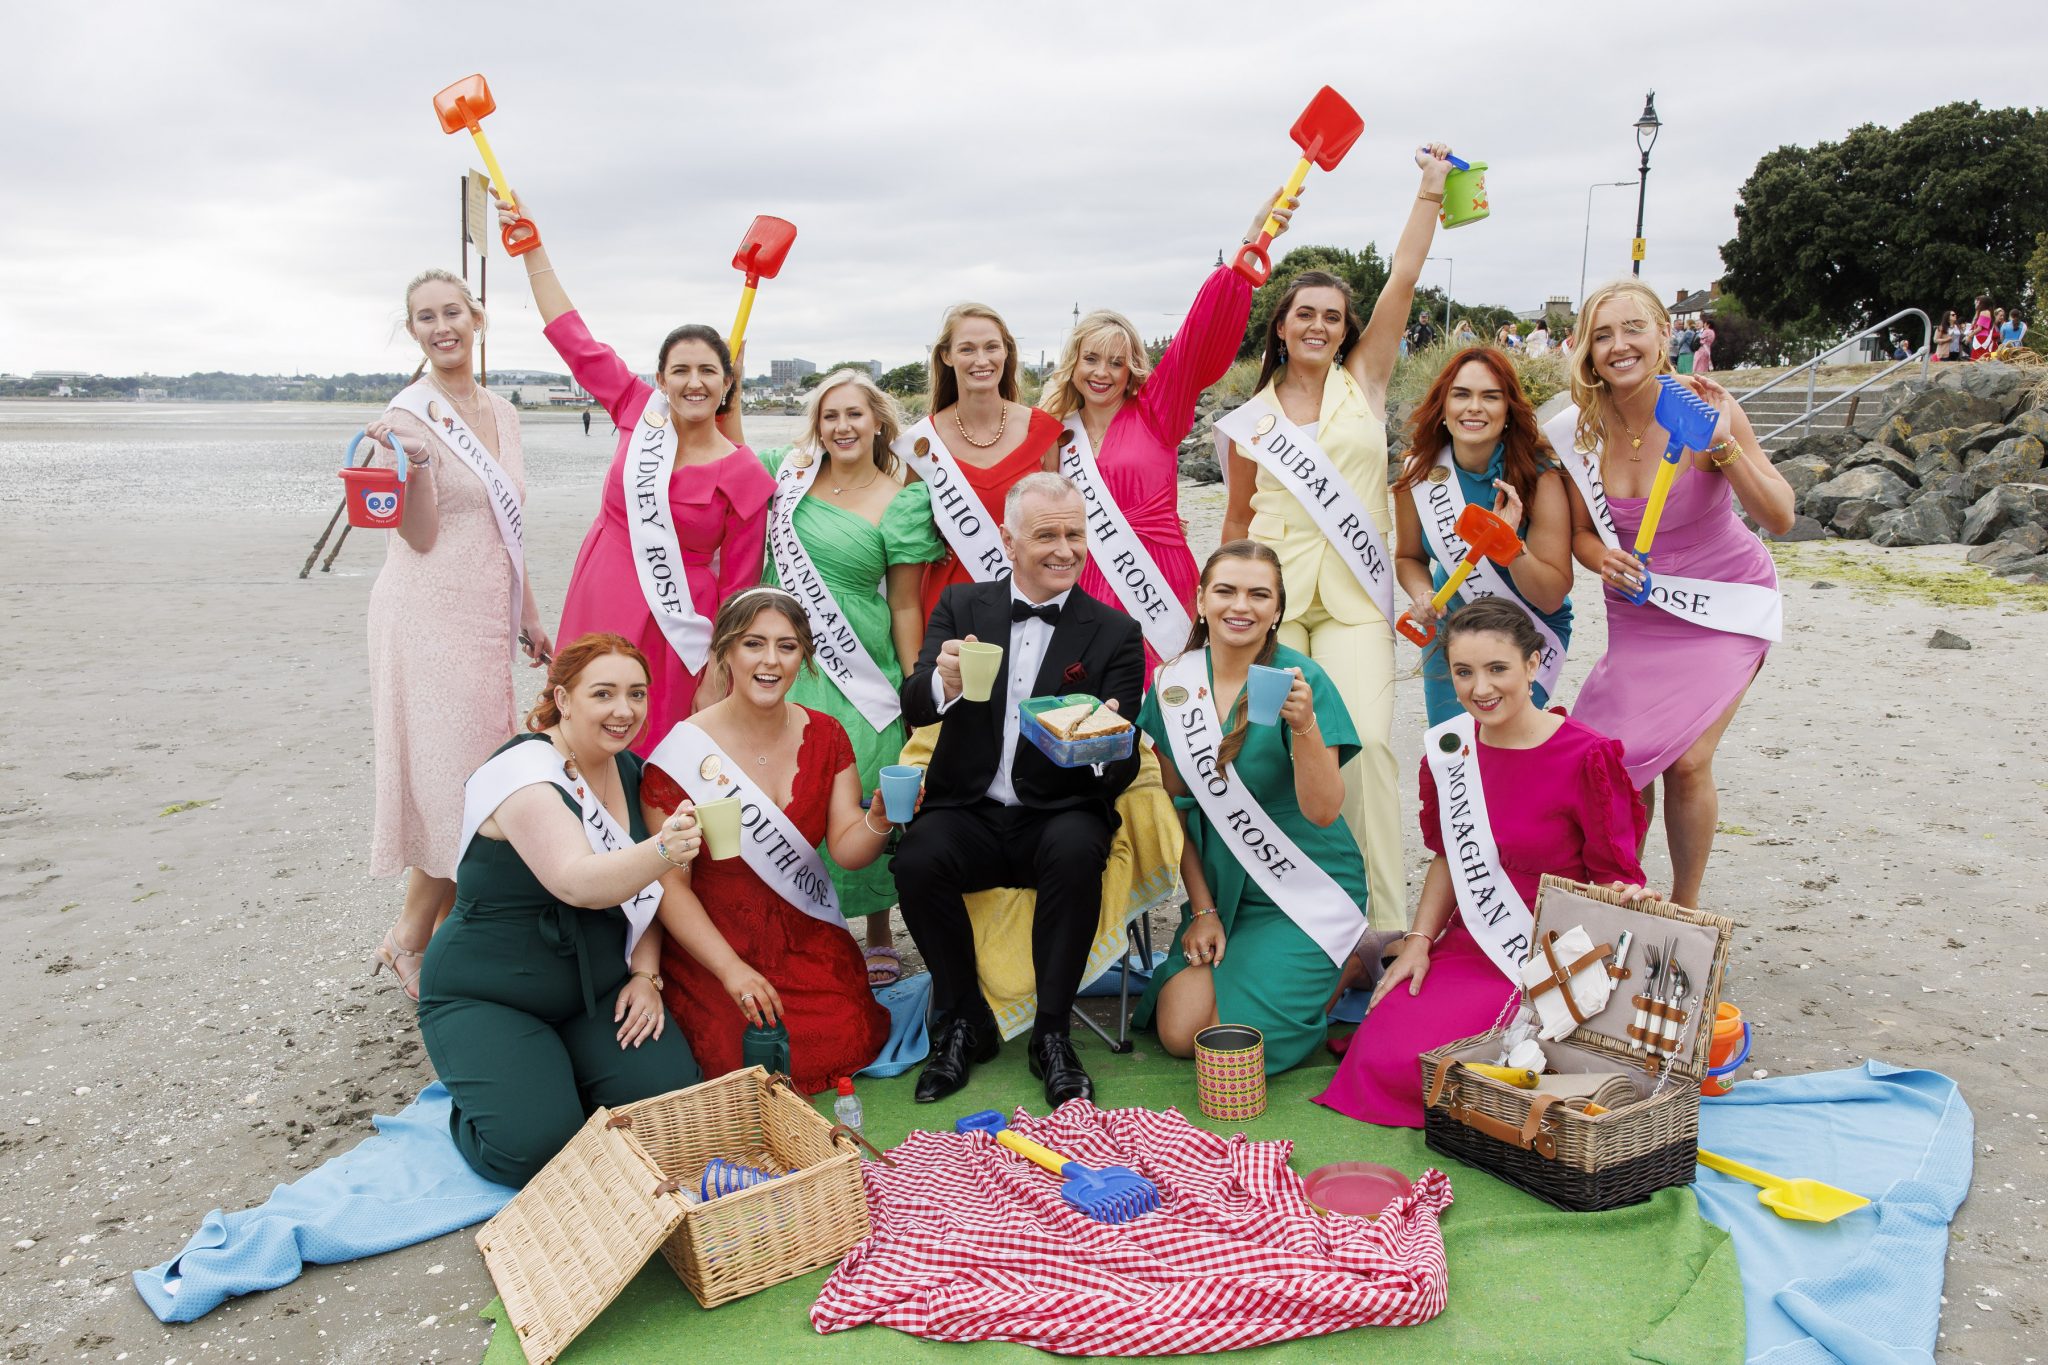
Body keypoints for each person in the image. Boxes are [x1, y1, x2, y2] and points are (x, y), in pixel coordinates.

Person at [1218, 142, 1461, 932]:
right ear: (1281, 327)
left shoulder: (1368, 380)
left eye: (1332, 315)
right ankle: (1284, 911)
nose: (1319, 325)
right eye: (1304, 314)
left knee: (1366, 749)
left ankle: (1384, 925)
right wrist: (1215, 604)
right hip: (1270, 603)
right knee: (1265, 754)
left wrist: (1430, 191)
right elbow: (1236, 519)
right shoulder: (1250, 419)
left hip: (1357, 600)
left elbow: (1404, 278)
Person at [1313, 600, 1652, 1127]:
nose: (1480, 688)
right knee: (1382, 1056)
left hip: (1553, 951)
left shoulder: (1587, 755)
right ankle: (1392, 951)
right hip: (1473, 937)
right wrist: (1422, 943)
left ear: (1534, 664)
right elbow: (1449, 857)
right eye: (1463, 672)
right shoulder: (1449, 753)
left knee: (1447, 1069)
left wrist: (1629, 899)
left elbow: (1615, 874)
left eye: (1498, 669)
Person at [416, 634, 717, 1185]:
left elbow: (649, 895)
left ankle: (558, 1076)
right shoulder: (525, 774)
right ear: (563, 699)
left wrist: (647, 975)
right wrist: (663, 849)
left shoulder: (631, 771)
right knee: (537, 1153)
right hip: (490, 992)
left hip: (595, 990)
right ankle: (488, 1100)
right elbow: (578, 883)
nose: (624, 710)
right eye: (603, 694)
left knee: (666, 1113)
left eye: (637, 694)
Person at [891, 473, 1146, 1107]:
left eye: (1075, 534)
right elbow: (915, 707)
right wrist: (943, 682)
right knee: (917, 857)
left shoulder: (1116, 632)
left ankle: (1052, 1036)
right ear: (1008, 540)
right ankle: (961, 1021)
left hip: (1058, 810)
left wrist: (1103, 742)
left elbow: (1120, 772)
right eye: (1046, 535)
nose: (1065, 549)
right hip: (969, 807)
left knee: (1075, 849)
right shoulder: (961, 606)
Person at [1546, 279, 1795, 909]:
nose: (1619, 345)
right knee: (1612, 765)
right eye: (1603, 335)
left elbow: (1780, 516)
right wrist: (1601, 557)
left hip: (1724, 605)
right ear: (1587, 350)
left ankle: (1684, 912)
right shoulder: (1581, 428)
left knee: (1685, 761)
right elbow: (1580, 531)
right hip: (1639, 616)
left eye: (1634, 328)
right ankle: (1624, 893)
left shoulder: (1706, 405)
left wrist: (1723, 443)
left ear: (1665, 335)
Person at [499, 195, 773, 753]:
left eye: (707, 372)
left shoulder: (745, 472)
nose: (693, 383)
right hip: (603, 586)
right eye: (680, 371)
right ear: (661, 378)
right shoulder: (636, 408)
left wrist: (721, 671)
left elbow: (739, 588)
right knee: (578, 733)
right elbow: (573, 339)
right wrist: (533, 251)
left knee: (656, 748)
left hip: (680, 625)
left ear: (727, 384)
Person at [365, 268, 550, 1000]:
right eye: (424, 317)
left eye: (452, 312)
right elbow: (418, 533)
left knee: (477, 776)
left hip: (484, 611)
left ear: (477, 318)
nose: (441, 326)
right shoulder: (407, 416)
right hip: (425, 611)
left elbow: (510, 526)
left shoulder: (504, 411)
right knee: (460, 784)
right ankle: (410, 941)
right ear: (412, 331)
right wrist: (410, 465)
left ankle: (431, 938)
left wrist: (529, 612)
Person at [640, 589, 895, 1093]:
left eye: (788, 646)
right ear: (726, 652)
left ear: (805, 656)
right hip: (714, 945)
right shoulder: (682, 755)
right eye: (754, 644)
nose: (771, 661)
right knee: (728, 1053)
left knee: (846, 1032)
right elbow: (671, 889)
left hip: (803, 935)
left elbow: (847, 848)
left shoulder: (827, 734)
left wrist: (880, 822)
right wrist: (731, 971)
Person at [1038, 188, 1296, 680]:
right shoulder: (1053, 432)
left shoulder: (1158, 411)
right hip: (1082, 578)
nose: (1102, 373)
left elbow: (1197, 335)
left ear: (1132, 365)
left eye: (1116, 361)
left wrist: (1253, 239)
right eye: (1091, 359)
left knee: (1168, 700)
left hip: (1155, 575)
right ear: (1073, 363)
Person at [1134, 542, 1368, 1074]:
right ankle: (1331, 969)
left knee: (1230, 1050)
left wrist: (1304, 725)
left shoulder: (1304, 681)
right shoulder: (1173, 685)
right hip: (1222, 886)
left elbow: (1325, 811)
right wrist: (1202, 909)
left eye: (1259, 594)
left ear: (1278, 609)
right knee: (1177, 1032)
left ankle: (1347, 961)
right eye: (1226, 591)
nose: (1241, 606)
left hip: (1306, 886)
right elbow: (1176, 808)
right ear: (1200, 600)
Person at [758, 370, 944, 981]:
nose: (842, 427)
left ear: (878, 423)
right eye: (829, 416)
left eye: (854, 415)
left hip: (862, 664)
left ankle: (877, 928)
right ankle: (798, 921)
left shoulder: (903, 499)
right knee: (786, 789)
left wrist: (915, 684)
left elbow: (906, 604)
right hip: (784, 659)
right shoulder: (787, 482)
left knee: (862, 783)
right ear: (817, 425)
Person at [1392, 346, 1574, 725]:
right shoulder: (1419, 473)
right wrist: (1422, 595)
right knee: (1455, 752)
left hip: (1526, 631)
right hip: (1454, 630)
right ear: (1443, 407)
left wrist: (1510, 546)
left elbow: (1552, 595)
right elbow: (1409, 557)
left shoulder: (1540, 478)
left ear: (1508, 411)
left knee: (1504, 743)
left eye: (1490, 397)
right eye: (1461, 394)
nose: (1474, 407)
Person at [899, 303, 1066, 619]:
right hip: (950, 608)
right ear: (947, 356)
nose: (981, 360)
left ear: (1006, 352)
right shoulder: (923, 444)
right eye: (967, 349)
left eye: (992, 347)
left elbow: (1066, 526)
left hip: (1030, 606)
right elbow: (910, 541)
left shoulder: (1043, 432)